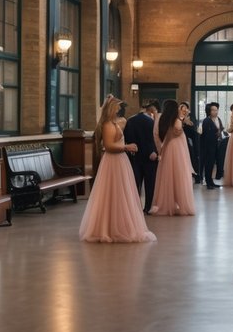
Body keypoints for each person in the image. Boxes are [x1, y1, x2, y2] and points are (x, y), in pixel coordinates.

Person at [79, 96, 156, 244]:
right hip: (112, 162)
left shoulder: (115, 122)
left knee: (122, 194)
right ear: (111, 109)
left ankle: (120, 224)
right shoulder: (108, 125)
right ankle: (108, 227)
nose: (120, 109)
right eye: (117, 107)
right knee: (112, 194)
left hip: (120, 161)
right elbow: (108, 146)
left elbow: (121, 128)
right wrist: (127, 146)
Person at [150, 99, 197, 216]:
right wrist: (181, 120)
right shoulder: (176, 120)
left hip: (169, 148)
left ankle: (168, 202)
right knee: (180, 175)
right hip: (177, 149)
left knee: (169, 175)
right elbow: (178, 131)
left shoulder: (163, 120)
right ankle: (180, 203)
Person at [126, 99, 161, 214]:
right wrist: (154, 151)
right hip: (150, 156)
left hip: (135, 156)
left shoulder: (130, 121)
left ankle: (135, 208)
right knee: (150, 184)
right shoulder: (152, 121)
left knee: (136, 183)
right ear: (151, 109)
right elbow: (154, 138)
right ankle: (148, 207)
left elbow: (128, 139)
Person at [200, 102, 224, 189]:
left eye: (216, 110)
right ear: (209, 111)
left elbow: (221, 129)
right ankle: (208, 182)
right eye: (213, 110)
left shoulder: (218, 119)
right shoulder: (206, 121)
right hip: (209, 146)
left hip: (217, 145)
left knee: (215, 164)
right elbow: (206, 134)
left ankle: (212, 181)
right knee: (209, 164)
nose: (215, 112)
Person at [180, 101, 201, 184]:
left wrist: (185, 122)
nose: (184, 110)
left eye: (185, 108)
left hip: (191, 140)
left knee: (193, 158)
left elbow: (193, 127)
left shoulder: (191, 116)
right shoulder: (179, 117)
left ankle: (197, 176)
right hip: (182, 140)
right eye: (182, 108)